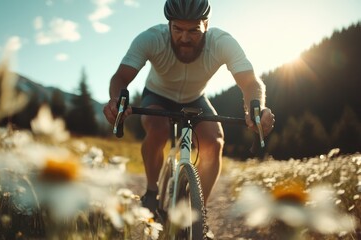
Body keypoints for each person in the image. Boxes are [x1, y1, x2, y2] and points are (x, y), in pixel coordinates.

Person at [103, 0, 275, 215]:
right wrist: (116, 101)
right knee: (157, 130)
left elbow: (250, 83)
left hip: (195, 98)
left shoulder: (221, 42)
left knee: (214, 142)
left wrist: (256, 110)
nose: (184, 38)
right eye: (178, 29)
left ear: (206, 24)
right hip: (157, 95)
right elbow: (120, 78)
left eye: (193, 30)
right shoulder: (151, 38)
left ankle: (197, 216)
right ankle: (151, 191)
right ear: (169, 25)